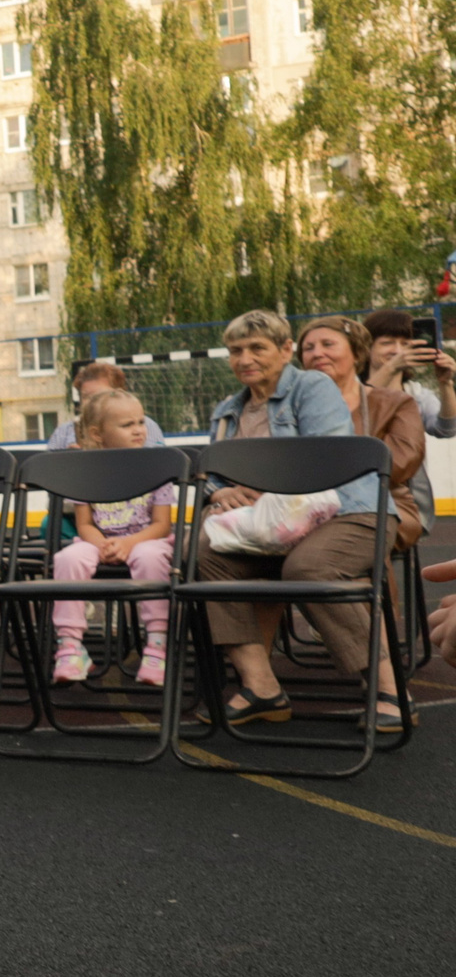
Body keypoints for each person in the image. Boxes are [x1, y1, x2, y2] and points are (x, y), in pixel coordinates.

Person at [193, 310, 397, 731]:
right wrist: (221, 491)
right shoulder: (227, 409)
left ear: (286, 351)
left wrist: (263, 488)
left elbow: (324, 458)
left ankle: (389, 691)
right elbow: (212, 472)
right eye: (235, 351)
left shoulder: (311, 386)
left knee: (308, 567)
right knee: (206, 554)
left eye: (257, 348)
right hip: (274, 528)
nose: (244, 358)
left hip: (349, 512)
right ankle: (261, 687)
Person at [46, 388, 174, 689]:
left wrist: (129, 544)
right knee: (67, 558)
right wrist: (101, 544)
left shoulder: (157, 466)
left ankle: (157, 645)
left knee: (150, 557)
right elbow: (84, 524)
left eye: (140, 422)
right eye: (127, 425)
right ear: (97, 433)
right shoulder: (86, 471)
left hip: (146, 540)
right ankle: (71, 646)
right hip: (100, 541)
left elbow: (162, 525)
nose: (139, 430)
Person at [299, 315, 424, 552]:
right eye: (308, 348)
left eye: (328, 345)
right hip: (304, 507)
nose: (317, 353)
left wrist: (320, 473)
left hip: (382, 504)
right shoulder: (288, 408)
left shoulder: (395, 403)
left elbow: (399, 463)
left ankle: (360, 588)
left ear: (357, 354)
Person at [361, 309, 456, 440]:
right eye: (387, 343)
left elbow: (446, 430)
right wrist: (391, 367)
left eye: (405, 344)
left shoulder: (417, 394)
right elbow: (357, 412)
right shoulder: (351, 388)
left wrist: (446, 383)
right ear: (367, 348)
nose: (398, 351)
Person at [45, 360, 168, 450]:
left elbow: (158, 467)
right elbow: (45, 473)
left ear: (120, 393)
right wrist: (64, 463)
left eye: (99, 396)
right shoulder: (64, 432)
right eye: (85, 397)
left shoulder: (146, 426)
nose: (91, 402)